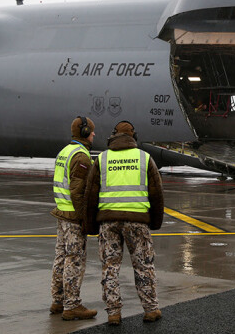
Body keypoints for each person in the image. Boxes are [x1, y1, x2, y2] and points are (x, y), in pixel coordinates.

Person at [84, 121, 164, 326]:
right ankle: (151, 309)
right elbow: (156, 194)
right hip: (137, 222)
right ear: (133, 137)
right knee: (144, 266)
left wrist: (91, 226)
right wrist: (154, 222)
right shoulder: (145, 158)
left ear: (113, 135)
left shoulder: (102, 159)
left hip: (108, 222)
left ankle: (113, 313)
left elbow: (90, 195)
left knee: (110, 267)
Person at [50, 116, 98, 321]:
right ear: (85, 132)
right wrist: (84, 219)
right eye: (92, 131)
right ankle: (72, 305)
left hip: (62, 213)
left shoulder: (64, 152)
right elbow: (77, 192)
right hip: (73, 217)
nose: (95, 134)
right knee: (74, 260)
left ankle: (58, 300)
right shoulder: (81, 157)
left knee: (61, 257)